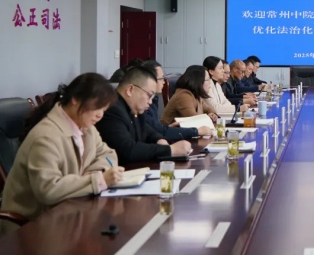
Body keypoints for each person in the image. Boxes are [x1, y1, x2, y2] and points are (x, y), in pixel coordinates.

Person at [1, 73, 123, 226]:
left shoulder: (86, 127)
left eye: (104, 109)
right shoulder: (45, 136)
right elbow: (48, 190)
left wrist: (93, 175)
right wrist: (98, 180)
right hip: (32, 224)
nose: (100, 115)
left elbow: (108, 154)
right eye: (97, 107)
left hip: (67, 211)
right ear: (75, 99)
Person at [96, 67, 191, 164]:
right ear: (130, 90)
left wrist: (159, 139)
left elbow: (146, 130)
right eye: (149, 95)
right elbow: (127, 150)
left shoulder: (132, 108)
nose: (150, 102)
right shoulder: (112, 109)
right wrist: (170, 150)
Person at [140, 60, 211, 140]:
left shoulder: (153, 100)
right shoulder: (183, 95)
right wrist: (196, 131)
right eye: (162, 78)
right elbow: (195, 120)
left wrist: (168, 128)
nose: (164, 82)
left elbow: (155, 130)